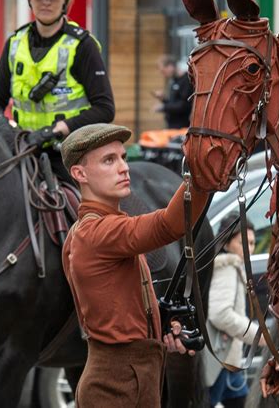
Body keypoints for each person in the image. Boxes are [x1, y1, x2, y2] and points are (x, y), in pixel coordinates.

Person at [60, 123, 210, 407]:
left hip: (135, 377)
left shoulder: (97, 228)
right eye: (109, 160)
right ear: (80, 174)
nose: (123, 167)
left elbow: (115, 305)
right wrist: (200, 172)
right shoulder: (97, 232)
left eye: (123, 157)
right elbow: (169, 225)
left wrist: (159, 323)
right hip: (114, 387)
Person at [0, 0, 115, 183]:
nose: (46, 1)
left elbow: (104, 108)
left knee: (76, 211)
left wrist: (56, 130)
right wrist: (8, 132)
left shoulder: (82, 46)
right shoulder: (14, 44)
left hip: (71, 155)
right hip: (22, 150)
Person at [204, 212, 264, 408]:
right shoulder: (227, 267)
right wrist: (257, 335)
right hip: (220, 359)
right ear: (227, 242)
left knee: (241, 402)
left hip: (228, 359)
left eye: (253, 243)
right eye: (243, 243)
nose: (249, 249)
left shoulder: (235, 266)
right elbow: (220, 314)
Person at [152, 54, 193, 129]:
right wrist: (163, 99)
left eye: (163, 71)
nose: (164, 75)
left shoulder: (186, 80)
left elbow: (184, 105)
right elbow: (173, 104)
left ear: (170, 66)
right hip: (172, 126)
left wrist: (163, 107)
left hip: (183, 127)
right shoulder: (173, 81)